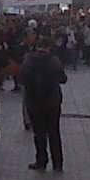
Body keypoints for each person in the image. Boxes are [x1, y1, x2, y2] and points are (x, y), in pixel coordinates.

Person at [20, 37, 67, 172]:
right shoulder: (54, 61)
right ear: (48, 48)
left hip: (33, 102)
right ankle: (57, 163)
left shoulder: (28, 60)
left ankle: (41, 161)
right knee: (54, 132)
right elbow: (63, 79)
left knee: (39, 133)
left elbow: (22, 77)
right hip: (52, 101)